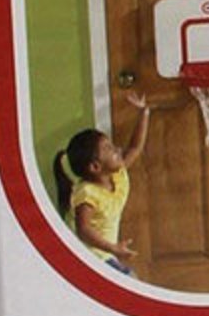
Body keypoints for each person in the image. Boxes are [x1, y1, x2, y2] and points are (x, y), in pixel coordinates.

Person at [53, 94, 150, 273]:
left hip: (105, 253)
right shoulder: (87, 193)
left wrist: (144, 112)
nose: (118, 149)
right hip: (89, 255)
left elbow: (135, 147)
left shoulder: (117, 175)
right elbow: (83, 230)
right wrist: (113, 248)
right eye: (109, 149)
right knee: (128, 279)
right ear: (95, 167)